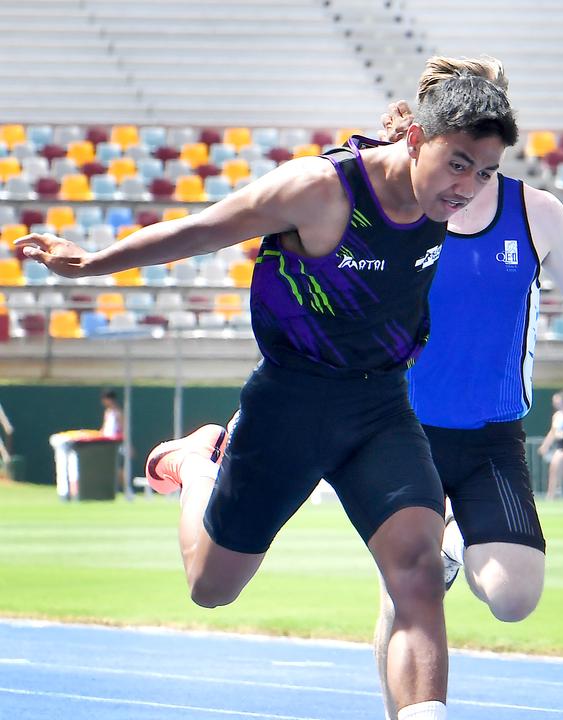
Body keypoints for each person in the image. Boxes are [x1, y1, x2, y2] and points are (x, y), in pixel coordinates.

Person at [15, 56, 519, 720]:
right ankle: (197, 460)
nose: (468, 189)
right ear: (417, 141)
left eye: (484, 174)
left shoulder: (443, 186)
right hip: (291, 402)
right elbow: (203, 228)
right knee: (211, 587)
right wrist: (94, 262)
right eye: (458, 165)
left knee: (420, 574)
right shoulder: (320, 188)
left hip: (380, 406)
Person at [370, 76, 563, 720]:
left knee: (513, 596)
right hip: (400, 430)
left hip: (488, 435)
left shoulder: (535, 212)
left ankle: (445, 549)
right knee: (409, 586)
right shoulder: (402, 199)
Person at [539, 390, 563, 500]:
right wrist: (545, 445)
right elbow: (552, 432)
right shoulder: (556, 415)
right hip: (558, 444)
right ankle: (553, 494)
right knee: (558, 470)